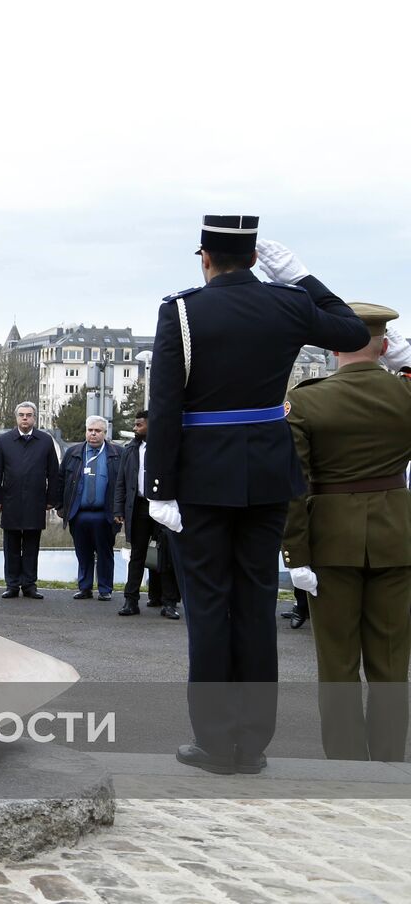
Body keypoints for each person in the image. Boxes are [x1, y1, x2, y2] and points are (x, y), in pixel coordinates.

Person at [145, 216, 369, 775]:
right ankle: (253, 745)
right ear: (255, 258)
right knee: (254, 605)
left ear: (205, 257)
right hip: (269, 475)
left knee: (208, 608)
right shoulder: (288, 304)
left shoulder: (182, 311)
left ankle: (215, 742)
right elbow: (353, 333)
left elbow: (166, 407)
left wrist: (158, 487)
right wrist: (303, 277)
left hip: (201, 479)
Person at [282, 302, 411, 762]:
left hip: (329, 541)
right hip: (398, 537)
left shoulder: (308, 399)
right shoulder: (404, 394)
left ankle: (345, 764)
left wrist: (294, 556)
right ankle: (390, 763)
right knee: (392, 663)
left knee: (337, 663)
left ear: (334, 346)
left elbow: (294, 488)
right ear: (387, 344)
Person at [0, 402, 61, 599]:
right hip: (10, 500)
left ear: (34, 418)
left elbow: (54, 473)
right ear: (16, 417)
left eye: (29, 415)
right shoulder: (5, 441)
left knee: (31, 546)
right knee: (11, 545)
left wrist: (51, 500)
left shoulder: (45, 441)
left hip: (36, 501)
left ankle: (29, 585)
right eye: (21, 415)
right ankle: (12, 584)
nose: (25, 418)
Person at [114, 410, 180, 619]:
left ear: (151, 425)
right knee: (137, 555)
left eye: (139, 424)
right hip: (139, 507)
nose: (135, 428)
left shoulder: (168, 448)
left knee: (166, 555)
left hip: (164, 505)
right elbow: (121, 483)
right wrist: (119, 509)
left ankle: (169, 603)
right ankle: (130, 600)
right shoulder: (131, 450)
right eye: (135, 425)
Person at [60, 416, 123, 602]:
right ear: (86, 431)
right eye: (90, 430)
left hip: (106, 514)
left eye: (98, 431)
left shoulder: (117, 453)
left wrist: (121, 511)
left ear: (105, 433)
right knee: (83, 552)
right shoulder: (73, 453)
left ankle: (105, 589)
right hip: (78, 513)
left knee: (105, 552)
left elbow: (124, 483)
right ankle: (85, 587)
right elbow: (61, 480)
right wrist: (60, 506)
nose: (93, 434)